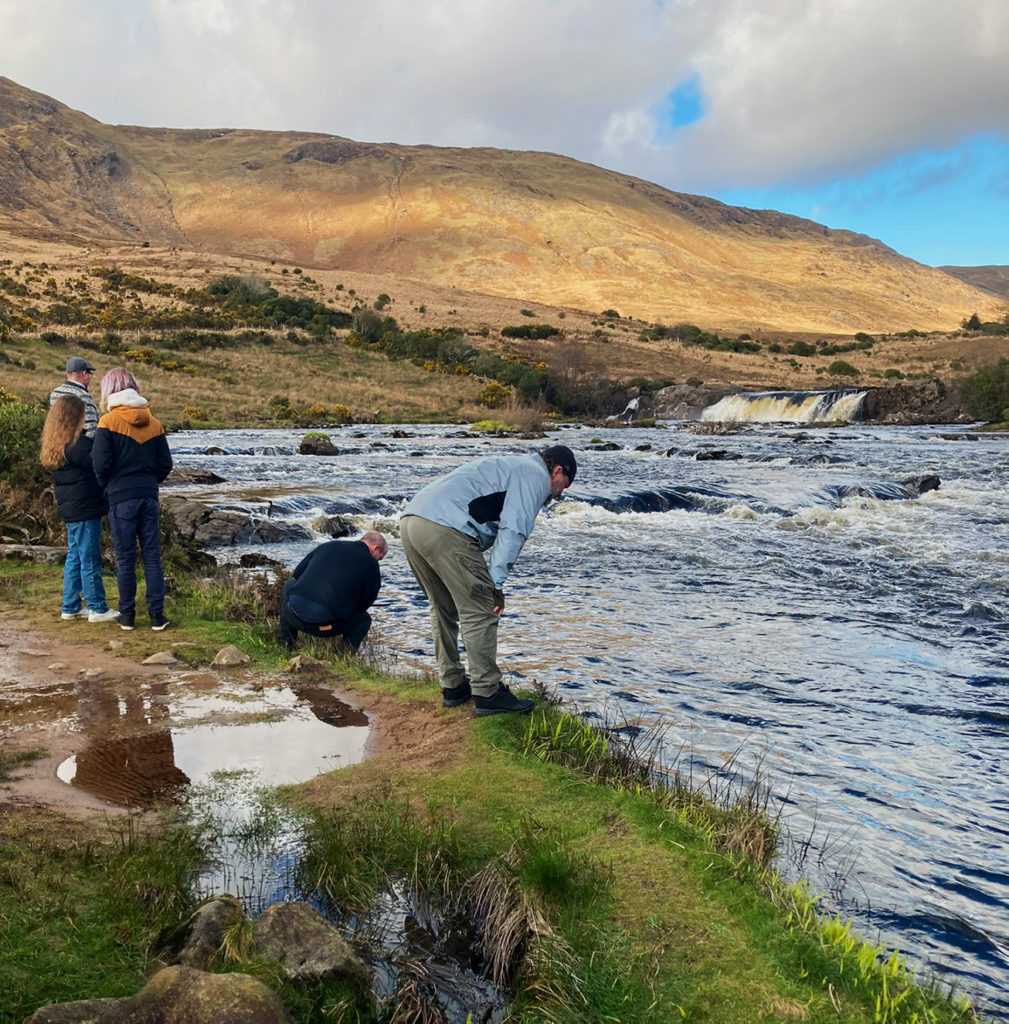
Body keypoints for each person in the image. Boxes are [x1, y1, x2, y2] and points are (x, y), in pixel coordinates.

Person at [400, 444, 577, 716]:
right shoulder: (535, 477)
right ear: (556, 471)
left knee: (443, 607)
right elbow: (513, 529)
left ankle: (453, 685)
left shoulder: (512, 465)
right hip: (445, 527)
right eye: (564, 486)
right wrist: (495, 584)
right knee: (481, 610)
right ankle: (488, 693)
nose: (559, 493)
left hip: (412, 521)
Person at [91, 367, 173, 631]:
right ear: (134, 388)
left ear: (110, 391)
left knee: (125, 558)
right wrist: (150, 483)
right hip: (148, 495)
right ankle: (157, 616)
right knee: (152, 556)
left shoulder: (108, 422)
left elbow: (100, 464)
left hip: (120, 497)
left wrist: (110, 487)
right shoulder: (155, 423)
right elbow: (165, 464)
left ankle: (126, 616)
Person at [39, 395, 119, 623]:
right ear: (75, 418)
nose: (86, 419)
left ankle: (70, 605)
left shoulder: (55, 445)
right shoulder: (79, 445)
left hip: (70, 509)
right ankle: (97, 607)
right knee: (89, 558)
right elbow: (100, 465)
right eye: (83, 414)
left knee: (75, 556)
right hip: (85, 509)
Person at [276, 532, 388, 652]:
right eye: (380, 557)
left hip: (292, 615)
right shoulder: (371, 564)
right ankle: (341, 657)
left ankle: (285, 643)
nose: (378, 560)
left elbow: (297, 573)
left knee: (289, 585)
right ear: (375, 548)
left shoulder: (329, 545)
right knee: (363, 620)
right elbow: (363, 605)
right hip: (324, 627)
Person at [50, 357, 100, 436]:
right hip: (78, 444)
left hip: (57, 441)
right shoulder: (83, 396)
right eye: (90, 373)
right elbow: (91, 429)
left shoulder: (55, 393)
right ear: (84, 374)